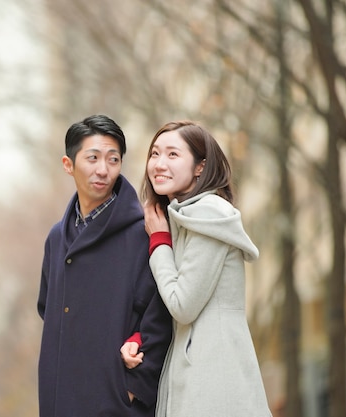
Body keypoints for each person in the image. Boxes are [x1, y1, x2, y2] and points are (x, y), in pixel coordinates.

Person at [120, 120, 272, 416]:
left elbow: (183, 304)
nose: (159, 164)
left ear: (200, 167)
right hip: (191, 365)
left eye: (173, 155)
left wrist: (160, 242)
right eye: (154, 154)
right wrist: (140, 339)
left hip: (214, 369)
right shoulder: (179, 217)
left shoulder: (208, 215)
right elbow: (168, 298)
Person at [37, 114, 172, 417]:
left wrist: (132, 388)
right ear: (68, 165)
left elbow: (161, 315)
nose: (103, 170)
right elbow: (48, 309)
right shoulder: (57, 238)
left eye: (113, 159)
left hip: (116, 404)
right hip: (61, 400)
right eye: (93, 158)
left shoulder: (142, 232)